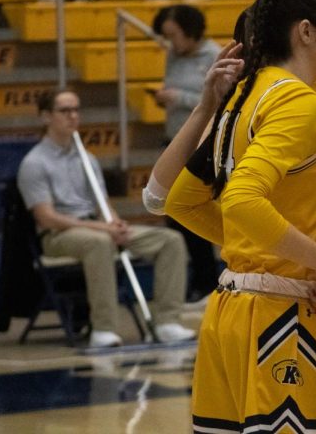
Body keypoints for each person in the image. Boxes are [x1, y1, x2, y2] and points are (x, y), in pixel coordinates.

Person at [164, 0, 316, 433]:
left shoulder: (246, 95)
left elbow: (183, 201)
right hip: (285, 315)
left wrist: (269, 247)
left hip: (232, 309)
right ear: (306, 31)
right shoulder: (295, 101)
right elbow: (241, 200)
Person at [16, 88, 195, 348]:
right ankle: (104, 329)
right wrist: (101, 228)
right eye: (65, 111)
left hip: (96, 226)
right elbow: (47, 218)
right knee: (98, 243)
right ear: (45, 117)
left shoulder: (86, 158)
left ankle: (167, 321)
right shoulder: (34, 163)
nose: (73, 116)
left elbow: (102, 203)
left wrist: (114, 222)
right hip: (59, 235)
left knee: (170, 240)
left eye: (76, 110)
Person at [151, 4, 222, 302]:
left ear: (190, 31)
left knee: (194, 211)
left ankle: (209, 280)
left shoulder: (215, 56)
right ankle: (192, 280)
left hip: (202, 146)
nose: (170, 43)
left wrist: (178, 98)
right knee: (173, 216)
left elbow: (219, 101)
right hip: (175, 140)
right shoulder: (173, 56)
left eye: (173, 35)